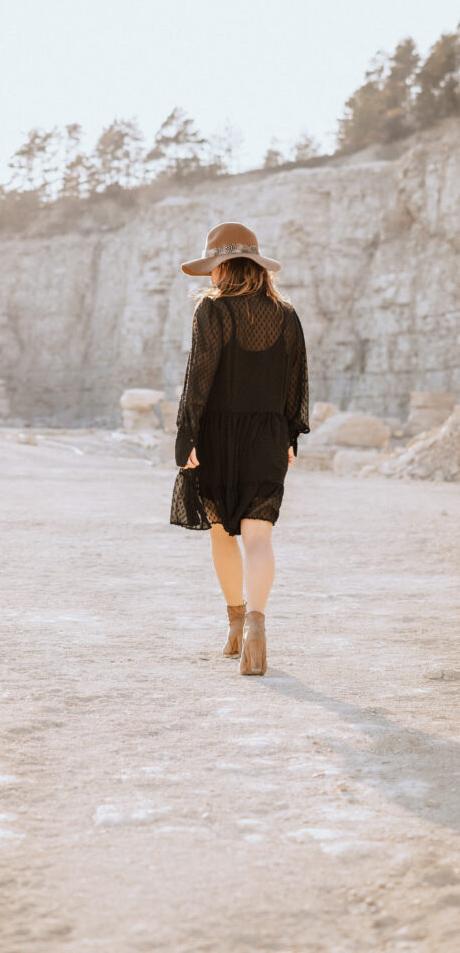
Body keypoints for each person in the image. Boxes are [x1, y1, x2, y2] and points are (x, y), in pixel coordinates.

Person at [170, 222, 310, 676]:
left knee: (221, 532)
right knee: (259, 536)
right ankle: (255, 627)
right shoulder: (287, 314)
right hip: (269, 436)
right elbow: (296, 384)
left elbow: (200, 377)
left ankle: (233, 624)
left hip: (217, 435)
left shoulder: (211, 311)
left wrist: (186, 434)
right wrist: (289, 435)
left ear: (221, 268)